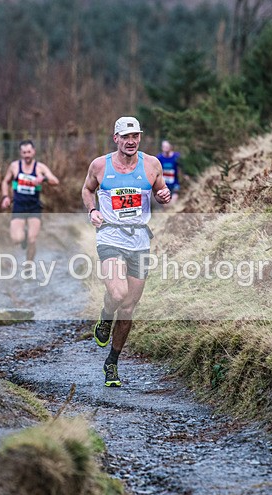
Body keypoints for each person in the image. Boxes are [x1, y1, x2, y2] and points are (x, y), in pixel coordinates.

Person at [81, 116, 171, 387]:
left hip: (140, 241)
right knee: (118, 293)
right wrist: (93, 209)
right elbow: (87, 190)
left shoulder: (152, 164)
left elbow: (160, 190)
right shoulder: (100, 165)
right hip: (110, 236)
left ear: (140, 137)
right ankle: (105, 317)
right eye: (126, 136)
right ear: (116, 138)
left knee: (129, 307)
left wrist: (163, 195)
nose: (131, 141)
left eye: (136, 136)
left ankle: (112, 362)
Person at [0, 140, 60, 262]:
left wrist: (43, 178)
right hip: (18, 205)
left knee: (32, 240)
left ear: (33, 152)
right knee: (16, 239)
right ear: (20, 153)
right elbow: (5, 181)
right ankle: (24, 236)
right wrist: (5, 196)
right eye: (24, 152)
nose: (27, 155)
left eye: (29, 152)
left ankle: (29, 265)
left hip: (34, 206)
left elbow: (55, 181)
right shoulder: (15, 166)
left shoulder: (40, 167)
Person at [156, 139, 182, 204]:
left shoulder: (176, 156)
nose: (165, 148)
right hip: (164, 184)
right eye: (164, 147)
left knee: (173, 201)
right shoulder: (159, 158)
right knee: (166, 203)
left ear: (170, 147)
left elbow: (181, 168)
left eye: (167, 147)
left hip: (175, 183)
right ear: (162, 147)